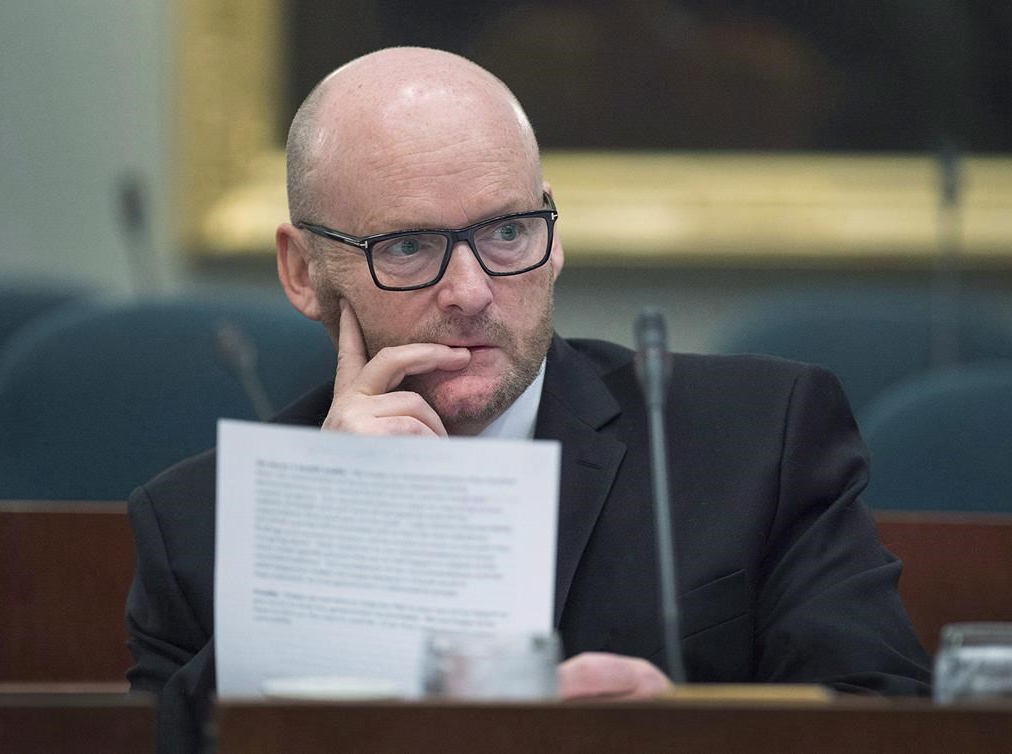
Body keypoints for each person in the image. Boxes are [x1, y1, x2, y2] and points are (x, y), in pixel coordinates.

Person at [126, 47, 931, 753]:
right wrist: (330, 532)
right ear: (304, 271)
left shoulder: (760, 439)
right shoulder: (200, 527)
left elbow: (890, 722)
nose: (471, 292)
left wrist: (697, 732)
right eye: (408, 247)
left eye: (508, 232)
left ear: (553, 234)